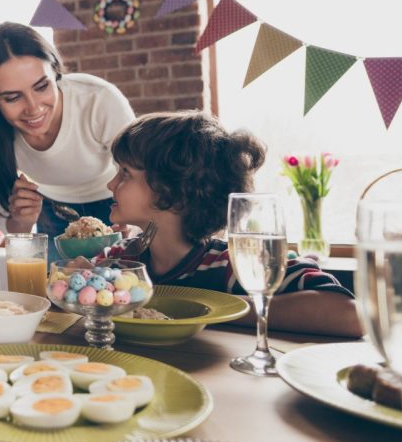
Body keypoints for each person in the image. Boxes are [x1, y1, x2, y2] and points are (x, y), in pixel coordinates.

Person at [106, 111, 361, 336]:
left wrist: (220, 308)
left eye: (125, 172)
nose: (111, 184)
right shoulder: (119, 260)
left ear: (171, 191)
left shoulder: (228, 266)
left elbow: (350, 315)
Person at [0, 22, 135, 258]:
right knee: (55, 289)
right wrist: (21, 220)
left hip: (119, 202)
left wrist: (132, 222)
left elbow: (143, 180)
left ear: (55, 71)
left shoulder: (99, 101)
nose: (33, 108)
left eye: (42, 86)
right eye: (13, 98)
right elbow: (12, 230)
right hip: (52, 211)